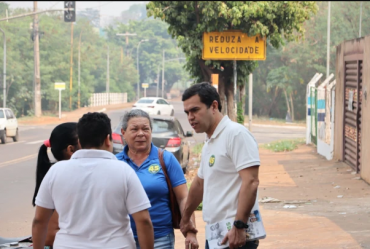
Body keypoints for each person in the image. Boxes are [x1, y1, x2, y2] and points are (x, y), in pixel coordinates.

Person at [32, 112, 154, 249]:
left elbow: (39, 221)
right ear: (108, 139)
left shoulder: (56, 171)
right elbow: (143, 221)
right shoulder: (123, 171)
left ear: (79, 142)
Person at [180, 82, 262, 249]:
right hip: (216, 235)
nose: (190, 117)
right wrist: (186, 217)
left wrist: (240, 226)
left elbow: (251, 181)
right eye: (187, 112)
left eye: (195, 110)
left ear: (214, 106)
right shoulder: (209, 142)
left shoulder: (236, 134)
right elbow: (200, 183)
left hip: (236, 236)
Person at [116, 109, 199, 249]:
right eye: (134, 129)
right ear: (123, 133)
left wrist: (190, 231)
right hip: (123, 240)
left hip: (160, 239)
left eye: (145, 129)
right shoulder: (115, 163)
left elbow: (183, 198)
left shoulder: (166, 159)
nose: (141, 133)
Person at [32, 122, 81, 247]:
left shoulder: (58, 173)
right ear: (71, 149)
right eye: (84, 142)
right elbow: (49, 234)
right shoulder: (63, 177)